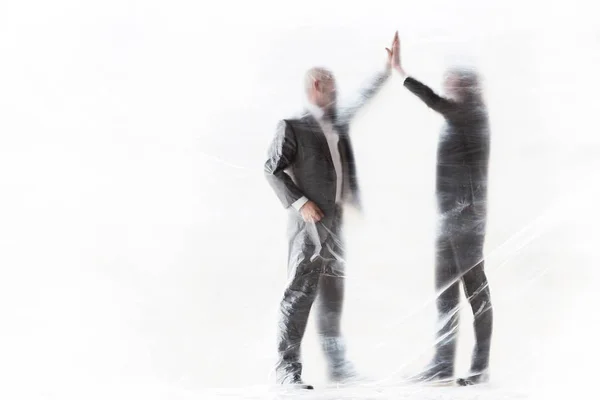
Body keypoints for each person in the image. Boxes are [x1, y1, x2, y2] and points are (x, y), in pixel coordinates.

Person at [264, 34, 399, 390]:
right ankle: (286, 371)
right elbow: (271, 169)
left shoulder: (335, 122)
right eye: (332, 86)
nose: (338, 92)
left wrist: (386, 71)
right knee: (299, 295)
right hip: (308, 224)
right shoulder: (292, 127)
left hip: (335, 222)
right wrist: (300, 202)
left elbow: (362, 99)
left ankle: (338, 366)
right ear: (317, 85)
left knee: (333, 294)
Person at [390, 36, 494, 386]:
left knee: (475, 291)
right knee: (445, 293)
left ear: (467, 84)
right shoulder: (461, 115)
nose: (447, 84)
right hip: (448, 219)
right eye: (448, 78)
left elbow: (433, 100)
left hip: (467, 221)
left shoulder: (470, 113)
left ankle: (479, 369)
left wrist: (400, 72)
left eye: (454, 79)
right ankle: (442, 365)